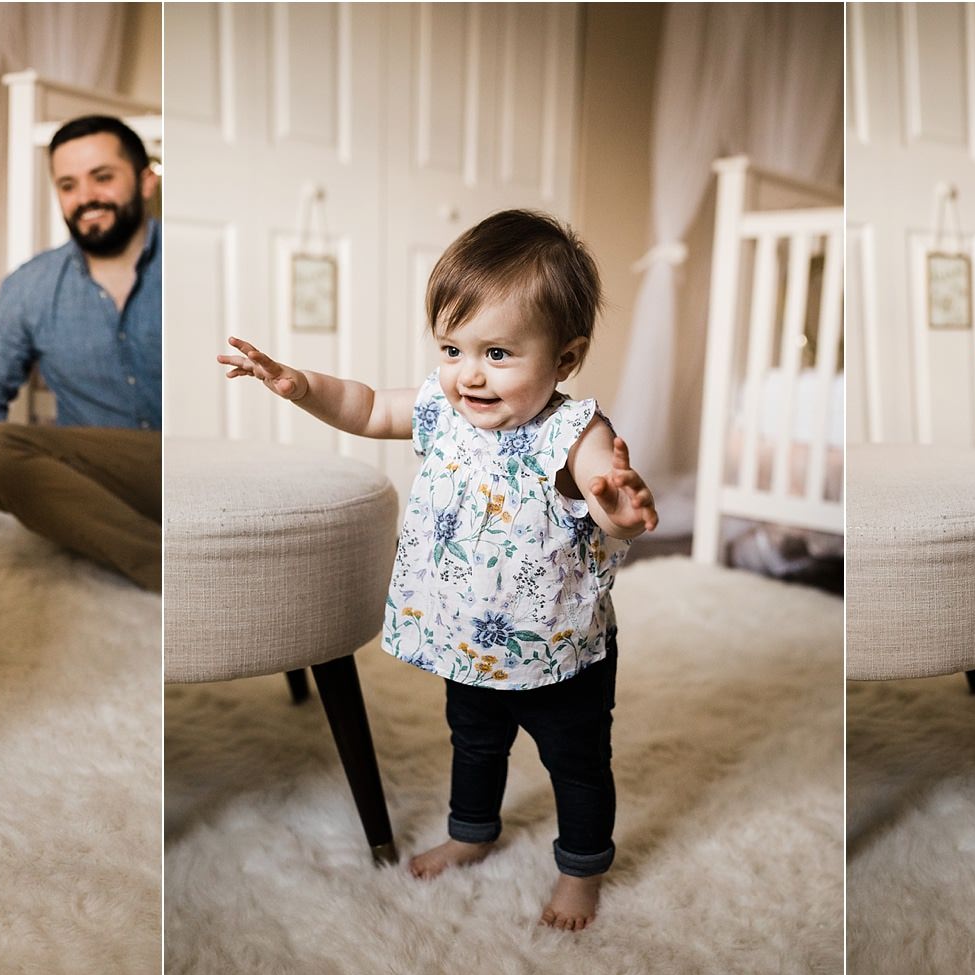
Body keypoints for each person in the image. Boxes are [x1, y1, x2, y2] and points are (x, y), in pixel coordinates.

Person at [218, 210, 659, 930]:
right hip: (468, 642)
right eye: (452, 348)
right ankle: (472, 830)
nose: (468, 374)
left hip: (557, 653)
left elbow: (603, 494)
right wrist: (299, 384)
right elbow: (363, 405)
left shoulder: (576, 431)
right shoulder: (441, 408)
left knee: (576, 765)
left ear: (566, 358)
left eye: (498, 353)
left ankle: (582, 868)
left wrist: (619, 504)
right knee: (473, 742)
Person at [0, 114, 161, 591]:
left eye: (102, 177)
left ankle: (155, 555)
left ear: (146, 181)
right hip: (93, 481)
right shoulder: (30, 286)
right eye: (68, 185)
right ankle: (169, 565)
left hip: (188, 462)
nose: (86, 197)